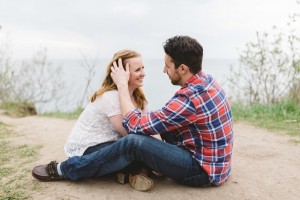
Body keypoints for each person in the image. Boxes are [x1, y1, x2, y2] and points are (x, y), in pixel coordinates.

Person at [32, 35, 233, 188]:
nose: (163, 70)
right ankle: (134, 170)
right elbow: (154, 123)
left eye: (167, 65)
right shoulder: (207, 81)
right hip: (213, 164)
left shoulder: (188, 99)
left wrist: (122, 87)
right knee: (156, 129)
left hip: (201, 171)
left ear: (182, 69)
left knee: (133, 143)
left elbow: (134, 128)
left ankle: (66, 169)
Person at [32, 49, 156, 191]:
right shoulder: (110, 97)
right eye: (137, 70)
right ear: (122, 74)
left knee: (138, 151)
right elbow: (128, 133)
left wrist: (158, 151)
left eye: (143, 68)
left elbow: (152, 127)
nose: (143, 73)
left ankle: (128, 172)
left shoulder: (140, 98)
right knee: (133, 149)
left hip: (114, 144)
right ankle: (64, 169)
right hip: (89, 146)